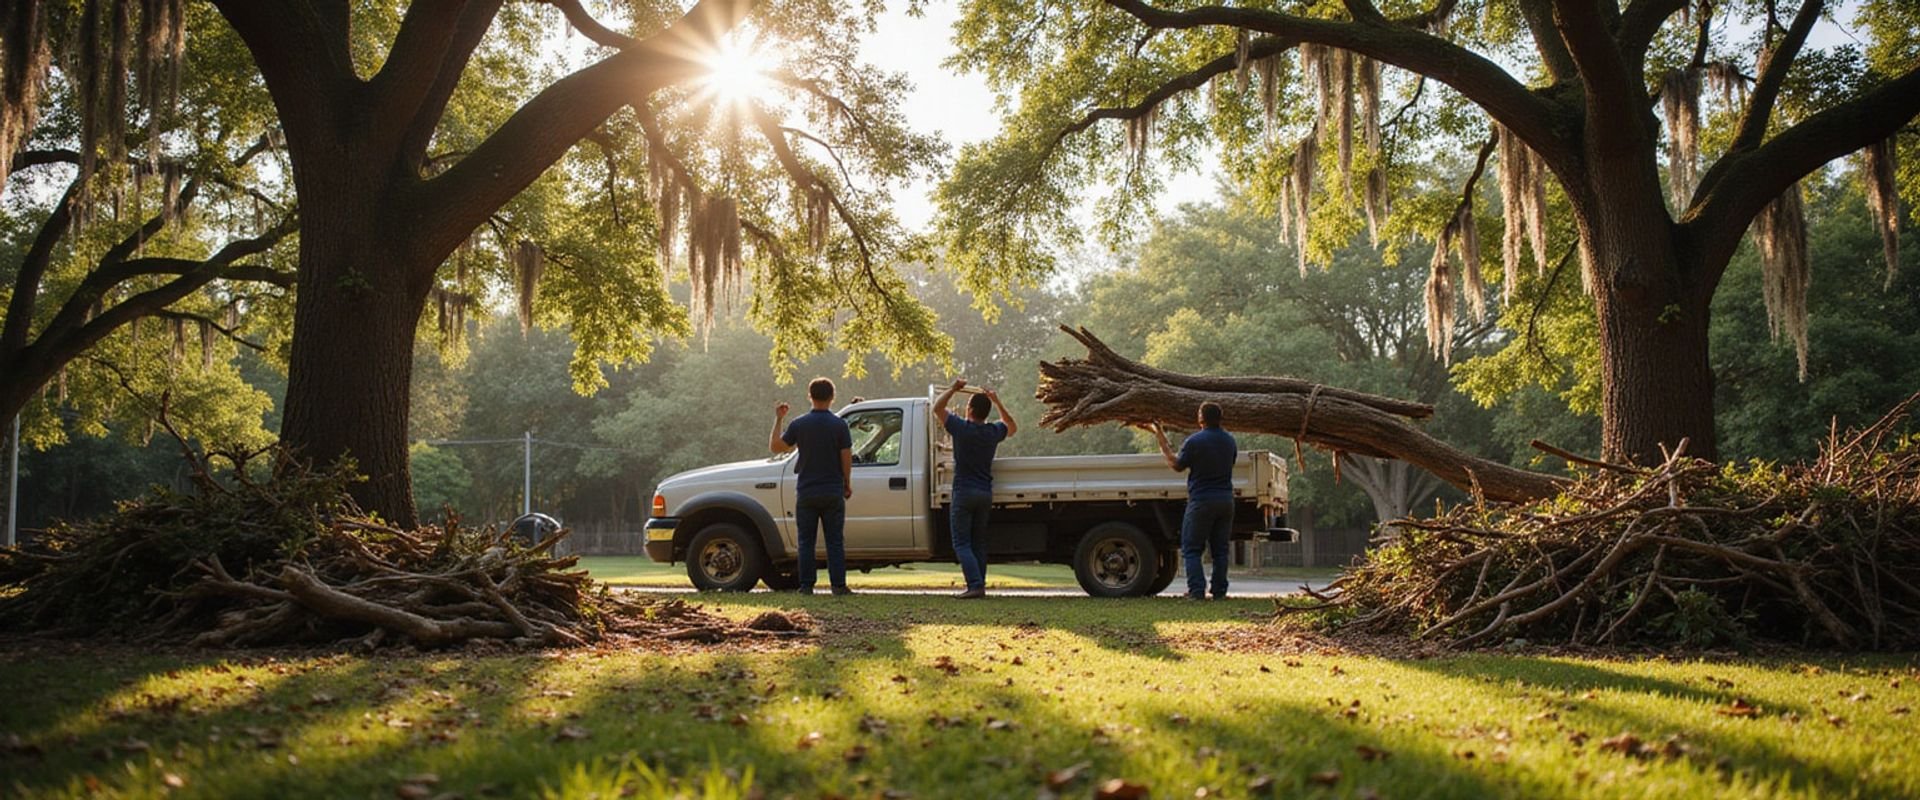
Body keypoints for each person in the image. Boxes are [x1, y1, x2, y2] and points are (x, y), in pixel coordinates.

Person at [1146, 402, 1238, 600]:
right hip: (1226, 500)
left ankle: (1196, 591)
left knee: (1192, 548)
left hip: (1202, 500)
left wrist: (1161, 438)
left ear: (1201, 418)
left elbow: (1177, 465)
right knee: (1220, 550)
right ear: (1220, 418)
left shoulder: (1195, 441)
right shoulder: (1230, 441)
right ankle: (1219, 591)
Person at [770, 377, 854, 595]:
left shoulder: (799, 424)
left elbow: (776, 447)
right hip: (832, 490)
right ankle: (838, 585)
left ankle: (806, 585)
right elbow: (846, 456)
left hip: (807, 491)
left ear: (810, 396)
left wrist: (779, 419)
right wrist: (847, 482)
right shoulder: (839, 425)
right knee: (835, 541)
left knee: (806, 541)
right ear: (832, 397)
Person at [934, 379, 1016, 599]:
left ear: (969, 410)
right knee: (978, 542)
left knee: (961, 543)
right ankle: (979, 584)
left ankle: (975, 585)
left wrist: (953, 388)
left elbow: (937, 408)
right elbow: (1012, 427)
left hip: (963, 491)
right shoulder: (993, 431)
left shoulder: (961, 428)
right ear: (987, 412)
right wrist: (997, 401)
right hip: (984, 492)